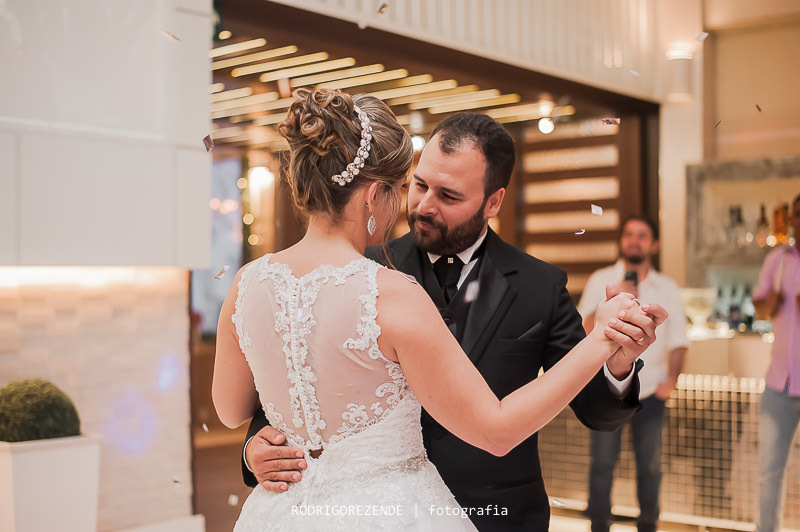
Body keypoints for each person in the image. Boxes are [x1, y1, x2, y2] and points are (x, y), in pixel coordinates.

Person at [233, 99, 666, 530]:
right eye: (419, 185)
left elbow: (596, 411)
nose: (424, 205)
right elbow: (300, 377)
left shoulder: (540, 286)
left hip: (499, 515)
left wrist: (618, 360)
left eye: (449, 195)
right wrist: (256, 447)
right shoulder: (358, 272)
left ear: (493, 202)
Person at [577, 216, 689, 532]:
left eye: (642, 235)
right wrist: (614, 300)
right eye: (629, 234)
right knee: (602, 463)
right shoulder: (601, 279)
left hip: (650, 392)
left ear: (653, 244)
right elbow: (582, 329)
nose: (634, 240)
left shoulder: (667, 288)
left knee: (650, 466)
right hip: (606, 390)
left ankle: (648, 525)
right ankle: (599, 525)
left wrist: (672, 379)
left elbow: (679, 339)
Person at [753, 193, 800, 532]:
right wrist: (769, 302)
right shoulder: (777, 260)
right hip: (779, 384)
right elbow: (759, 309)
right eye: (798, 214)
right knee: (769, 471)